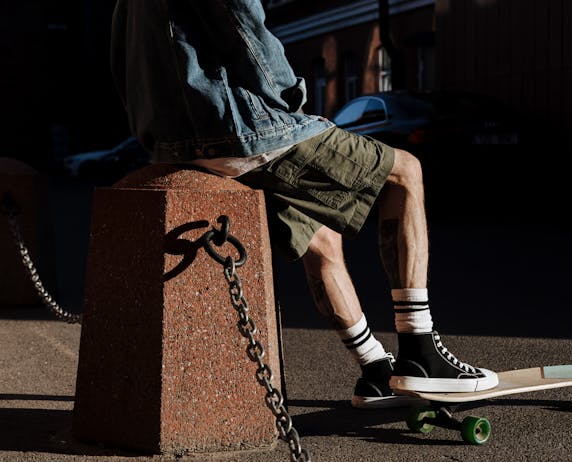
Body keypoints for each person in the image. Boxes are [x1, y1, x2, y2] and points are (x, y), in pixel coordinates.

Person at [110, 0, 497, 409]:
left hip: (172, 139)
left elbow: (121, 59)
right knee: (405, 173)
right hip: (237, 126)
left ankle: (376, 371)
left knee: (321, 235)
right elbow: (242, 20)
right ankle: (419, 350)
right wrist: (285, 96)